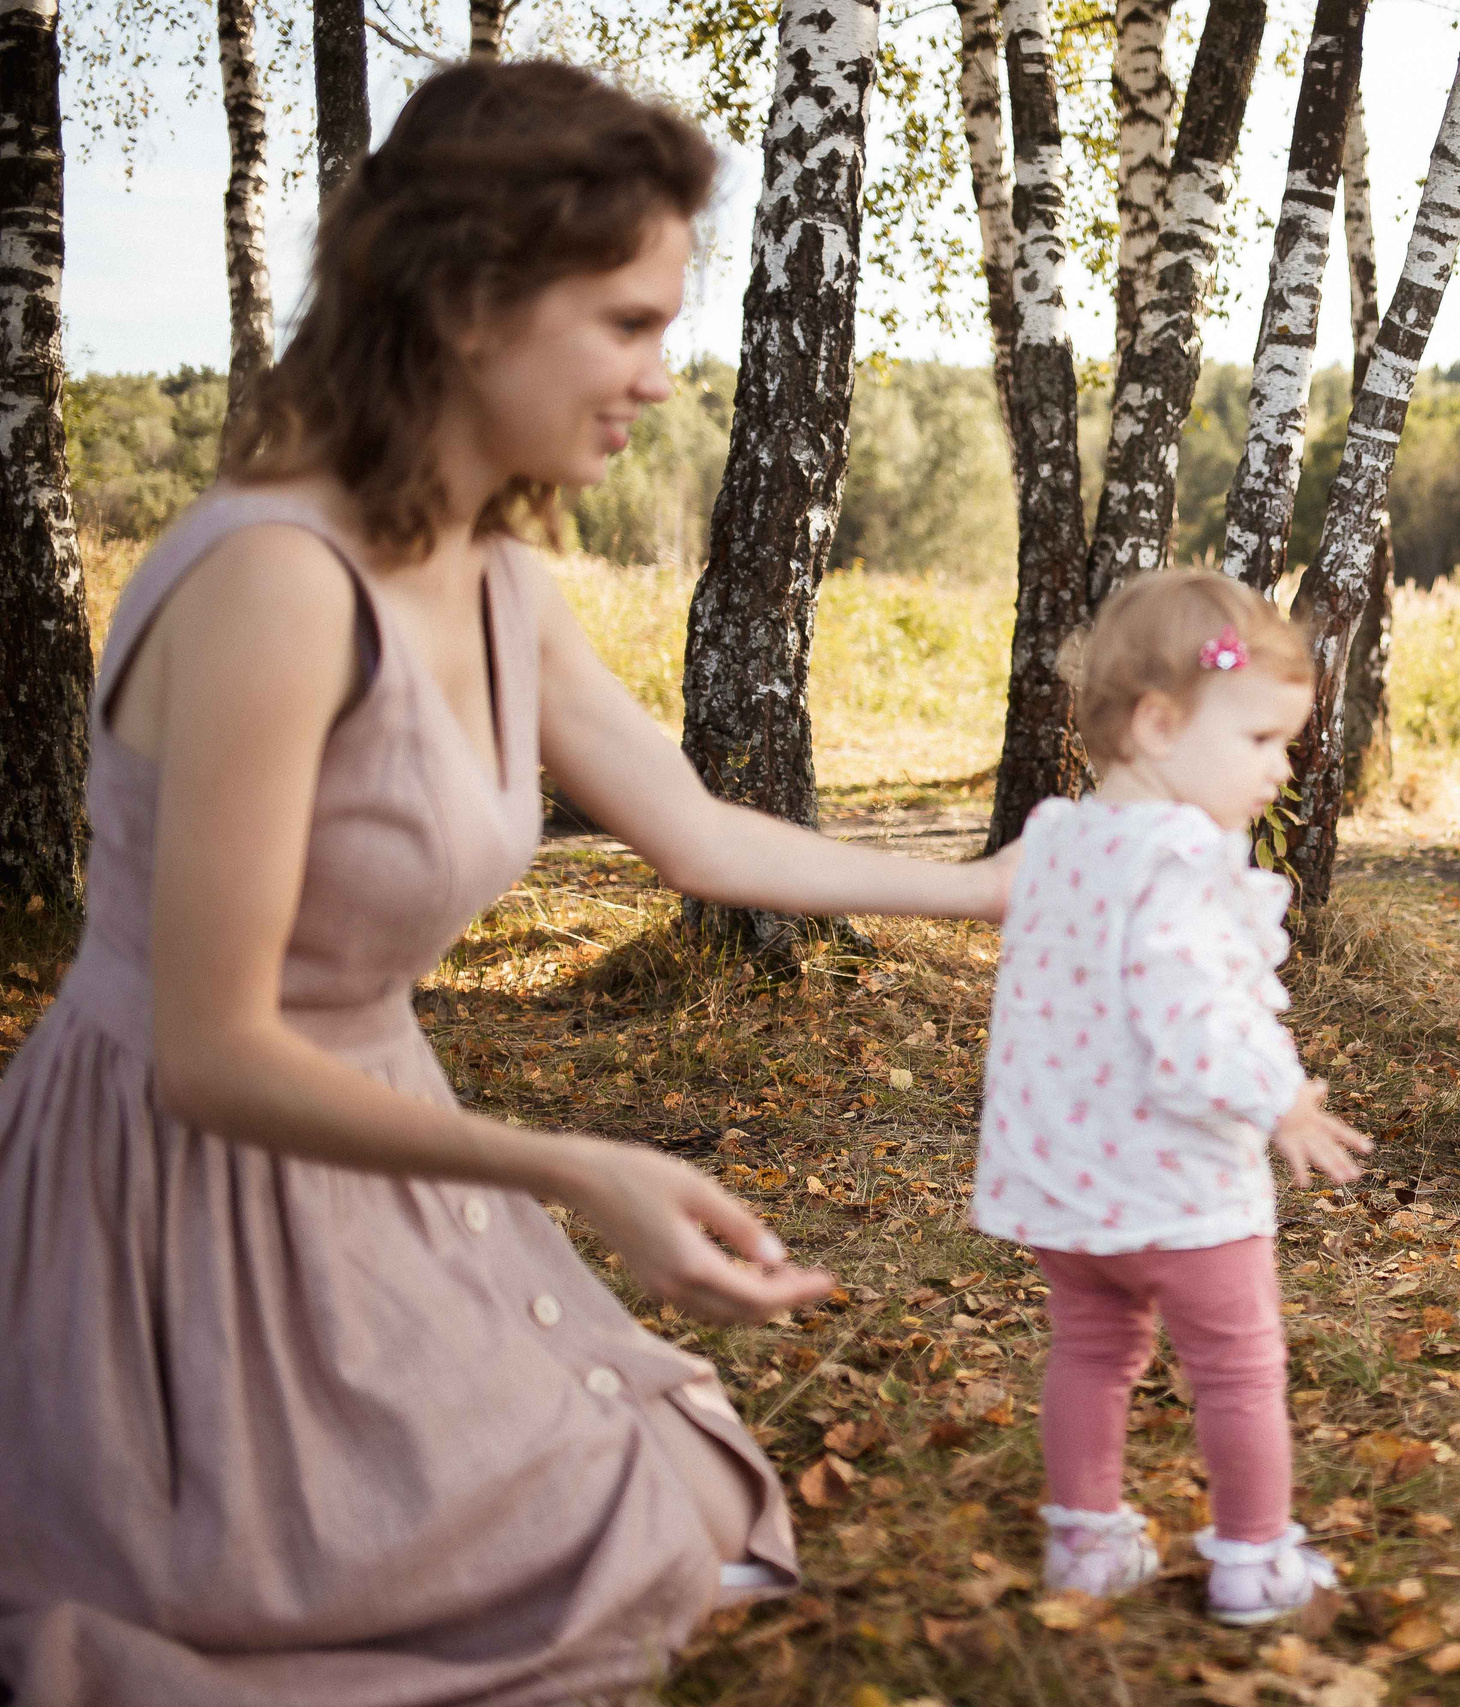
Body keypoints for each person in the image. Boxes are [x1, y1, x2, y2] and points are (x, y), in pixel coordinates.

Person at [0, 62, 1019, 1706]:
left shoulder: (496, 576)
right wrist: (569, 1166)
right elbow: (211, 1050)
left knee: (679, 1493)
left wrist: (989, 891)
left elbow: (695, 832)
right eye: (627, 323)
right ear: (472, 301)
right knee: (357, 1600)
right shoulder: (274, 583)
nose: (659, 378)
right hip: (179, 1178)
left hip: (379, 1133)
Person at [971, 574, 1372, 1627]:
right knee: (1237, 1370)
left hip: (1066, 1184)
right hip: (1179, 1188)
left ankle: (1085, 1541)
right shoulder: (1185, 856)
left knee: (1090, 1353)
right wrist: (1279, 1098)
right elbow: (1193, 1012)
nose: (1280, 769)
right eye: (1260, 740)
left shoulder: (1055, 836)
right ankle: (1253, 1559)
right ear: (1157, 725)